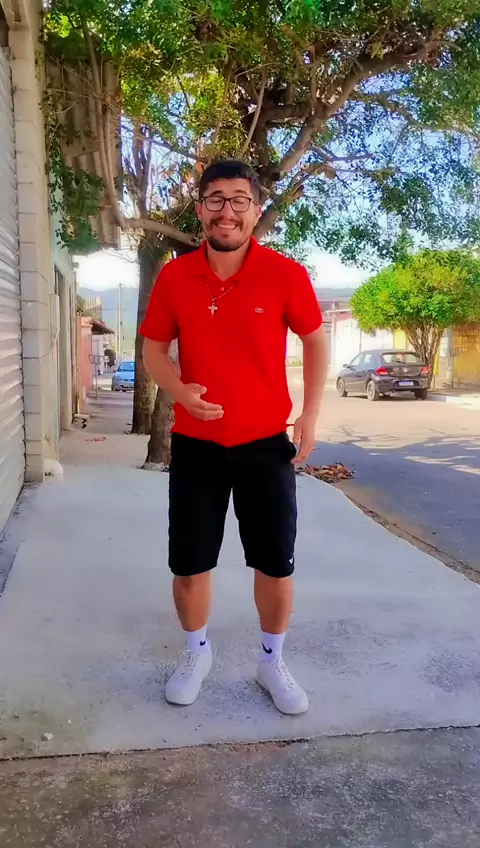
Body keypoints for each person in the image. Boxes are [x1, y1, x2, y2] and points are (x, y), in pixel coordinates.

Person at [141, 159, 328, 715]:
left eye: (240, 200)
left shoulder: (285, 274)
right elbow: (153, 350)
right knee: (189, 563)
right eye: (216, 199)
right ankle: (196, 653)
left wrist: (309, 416)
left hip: (266, 445)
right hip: (197, 445)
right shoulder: (175, 277)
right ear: (200, 209)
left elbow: (316, 340)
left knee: (275, 563)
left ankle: (271, 660)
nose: (228, 211)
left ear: (255, 209)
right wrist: (179, 390)